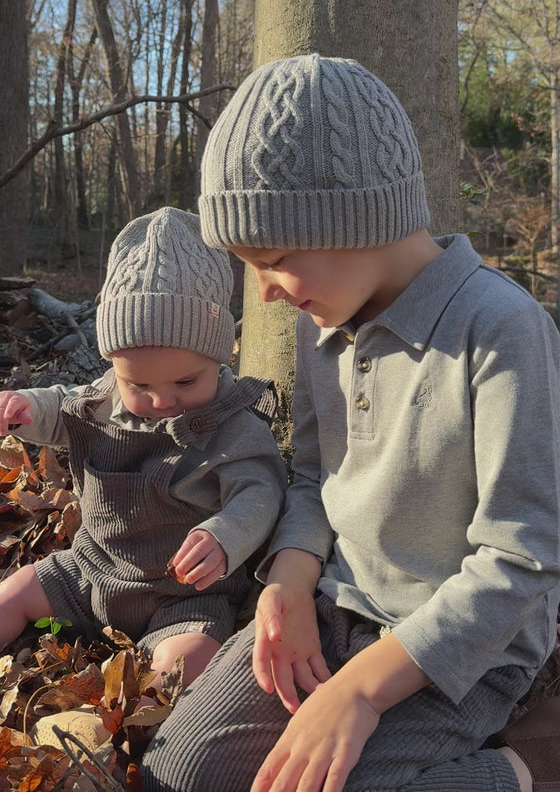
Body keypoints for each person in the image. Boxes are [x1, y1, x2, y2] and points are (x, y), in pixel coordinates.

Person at [140, 56, 560, 792]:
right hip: (337, 605)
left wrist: (360, 691)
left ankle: (529, 764)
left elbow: (523, 556)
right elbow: (312, 476)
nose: (263, 294)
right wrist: (291, 586)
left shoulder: (503, 330)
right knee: (177, 771)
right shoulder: (323, 320)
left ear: (356, 220)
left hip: (463, 652)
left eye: (271, 259)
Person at [0, 207, 286, 691]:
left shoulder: (233, 423)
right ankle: (46, 641)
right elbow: (61, 407)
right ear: (115, 368)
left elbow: (262, 491)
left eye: (185, 381)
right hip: (91, 572)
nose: (162, 401)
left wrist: (225, 536)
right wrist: (25, 405)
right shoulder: (103, 400)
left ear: (219, 357)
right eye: (139, 385)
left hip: (183, 597)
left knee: (186, 662)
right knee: (16, 594)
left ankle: (136, 717)